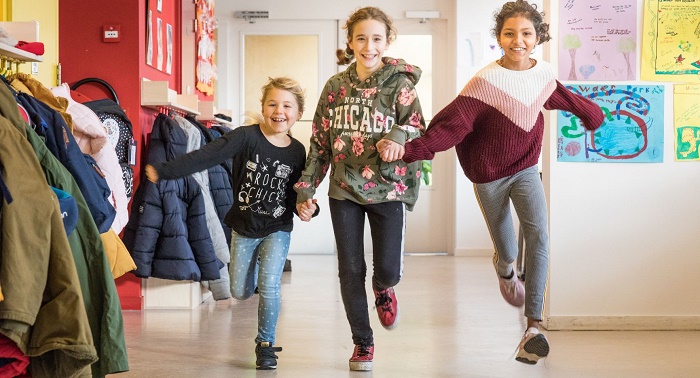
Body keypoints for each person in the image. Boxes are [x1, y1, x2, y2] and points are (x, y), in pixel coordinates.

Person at [378, 0, 604, 365]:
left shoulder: (543, 74)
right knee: (508, 247)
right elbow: (451, 126)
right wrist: (409, 150)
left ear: (538, 37)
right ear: (499, 37)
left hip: (526, 168)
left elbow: (565, 97)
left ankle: (533, 326)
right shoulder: (484, 82)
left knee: (541, 234)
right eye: (510, 33)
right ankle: (505, 269)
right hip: (489, 175)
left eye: (526, 33)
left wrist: (592, 114)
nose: (518, 40)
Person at [145, 77, 316, 370]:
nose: (279, 110)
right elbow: (206, 156)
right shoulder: (244, 137)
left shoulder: (298, 152)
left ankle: (265, 345)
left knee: (270, 286)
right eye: (272, 103)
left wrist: (309, 207)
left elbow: (300, 191)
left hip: (277, 228)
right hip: (244, 228)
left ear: (298, 113)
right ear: (263, 107)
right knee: (240, 291)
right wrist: (165, 171)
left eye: (287, 105)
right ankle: (259, 273)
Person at [294, 6, 426, 372]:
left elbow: (417, 126)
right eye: (361, 38)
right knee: (350, 269)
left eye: (376, 39)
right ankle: (362, 343)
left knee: (387, 268)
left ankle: (384, 288)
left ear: (387, 41)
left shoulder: (400, 84)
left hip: (388, 188)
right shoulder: (335, 88)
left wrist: (398, 136)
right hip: (344, 190)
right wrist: (307, 190)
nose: (369, 46)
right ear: (350, 41)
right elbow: (320, 143)